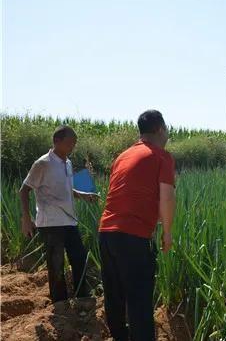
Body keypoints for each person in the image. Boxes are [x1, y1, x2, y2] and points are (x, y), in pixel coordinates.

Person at [99, 110, 176, 341]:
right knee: (139, 298)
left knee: (114, 295)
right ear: (160, 129)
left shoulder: (122, 156)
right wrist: (167, 232)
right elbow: (167, 197)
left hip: (106, 233)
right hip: (133, 237)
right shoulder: (162, 156)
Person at [19, 126, 99, 302]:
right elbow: (24, 190)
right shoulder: (43, 163)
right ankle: (60, 304)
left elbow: (66, 189)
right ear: (57, 141)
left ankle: (82, 298)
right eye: (70, 142)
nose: (72, 146)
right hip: (50, 223)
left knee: (79, 259)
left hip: (69, 221)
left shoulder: (68, 163)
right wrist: (26, 218)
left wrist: (84, 196)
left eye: (74, 143)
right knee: (56, 266)